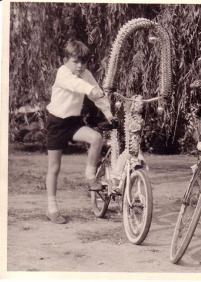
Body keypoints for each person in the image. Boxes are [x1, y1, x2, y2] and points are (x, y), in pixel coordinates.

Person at [45, 39, 114, 224]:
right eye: (76, 61)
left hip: (73, 122)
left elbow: (98, 94)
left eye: (83, 62)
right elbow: (78, 86)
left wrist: (109, 114)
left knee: (96, 138)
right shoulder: (63, 73)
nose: (80, 66)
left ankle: (90, 176)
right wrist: (92, 90)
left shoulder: (85, 73)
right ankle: (52, 209)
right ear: (65, 59)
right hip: (56, 122)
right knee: (54, 167)